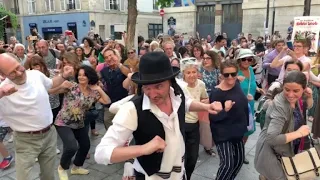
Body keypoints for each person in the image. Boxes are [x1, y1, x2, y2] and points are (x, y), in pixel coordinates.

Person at [95, 52, 223, 179]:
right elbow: (101, 153)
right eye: (147, 87)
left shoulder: (177, 94)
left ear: (170, 82)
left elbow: (186, 103)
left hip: (179, 174)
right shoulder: (132, 109)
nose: (153, 94)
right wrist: (143, 149)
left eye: (158, 86)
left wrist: (206, 107)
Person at [0, 53, 74, 180]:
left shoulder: (35, 74)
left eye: (18, 67)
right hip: (25, 141)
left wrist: (63, 75)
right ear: (2, 75)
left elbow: (50, 83)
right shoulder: (3, 91)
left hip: (49, 135)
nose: (18, 73)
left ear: (20, 61)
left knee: (48, 175)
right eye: (12, 72)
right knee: (23, 177)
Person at [254, 71, 312, 180]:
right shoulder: (280, 106)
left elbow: (307, 107)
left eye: (295, 91)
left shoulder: (298, 99)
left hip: (287, 147)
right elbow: (272, 138)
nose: (290, 94)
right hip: (272, 152)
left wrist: (309, 97)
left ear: (304, 89)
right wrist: (299, 133)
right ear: (283, 86)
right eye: (287, 89)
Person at [209, 60, 249, 180]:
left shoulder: (236, 83)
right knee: (227, 164)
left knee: (239, 161)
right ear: (221, 75)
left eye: (233, 74)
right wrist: (225, 110)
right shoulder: (217, 92)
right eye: (226, 75)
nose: (230, 77)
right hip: (223, 133)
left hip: (238, 130)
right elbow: (212, 116)